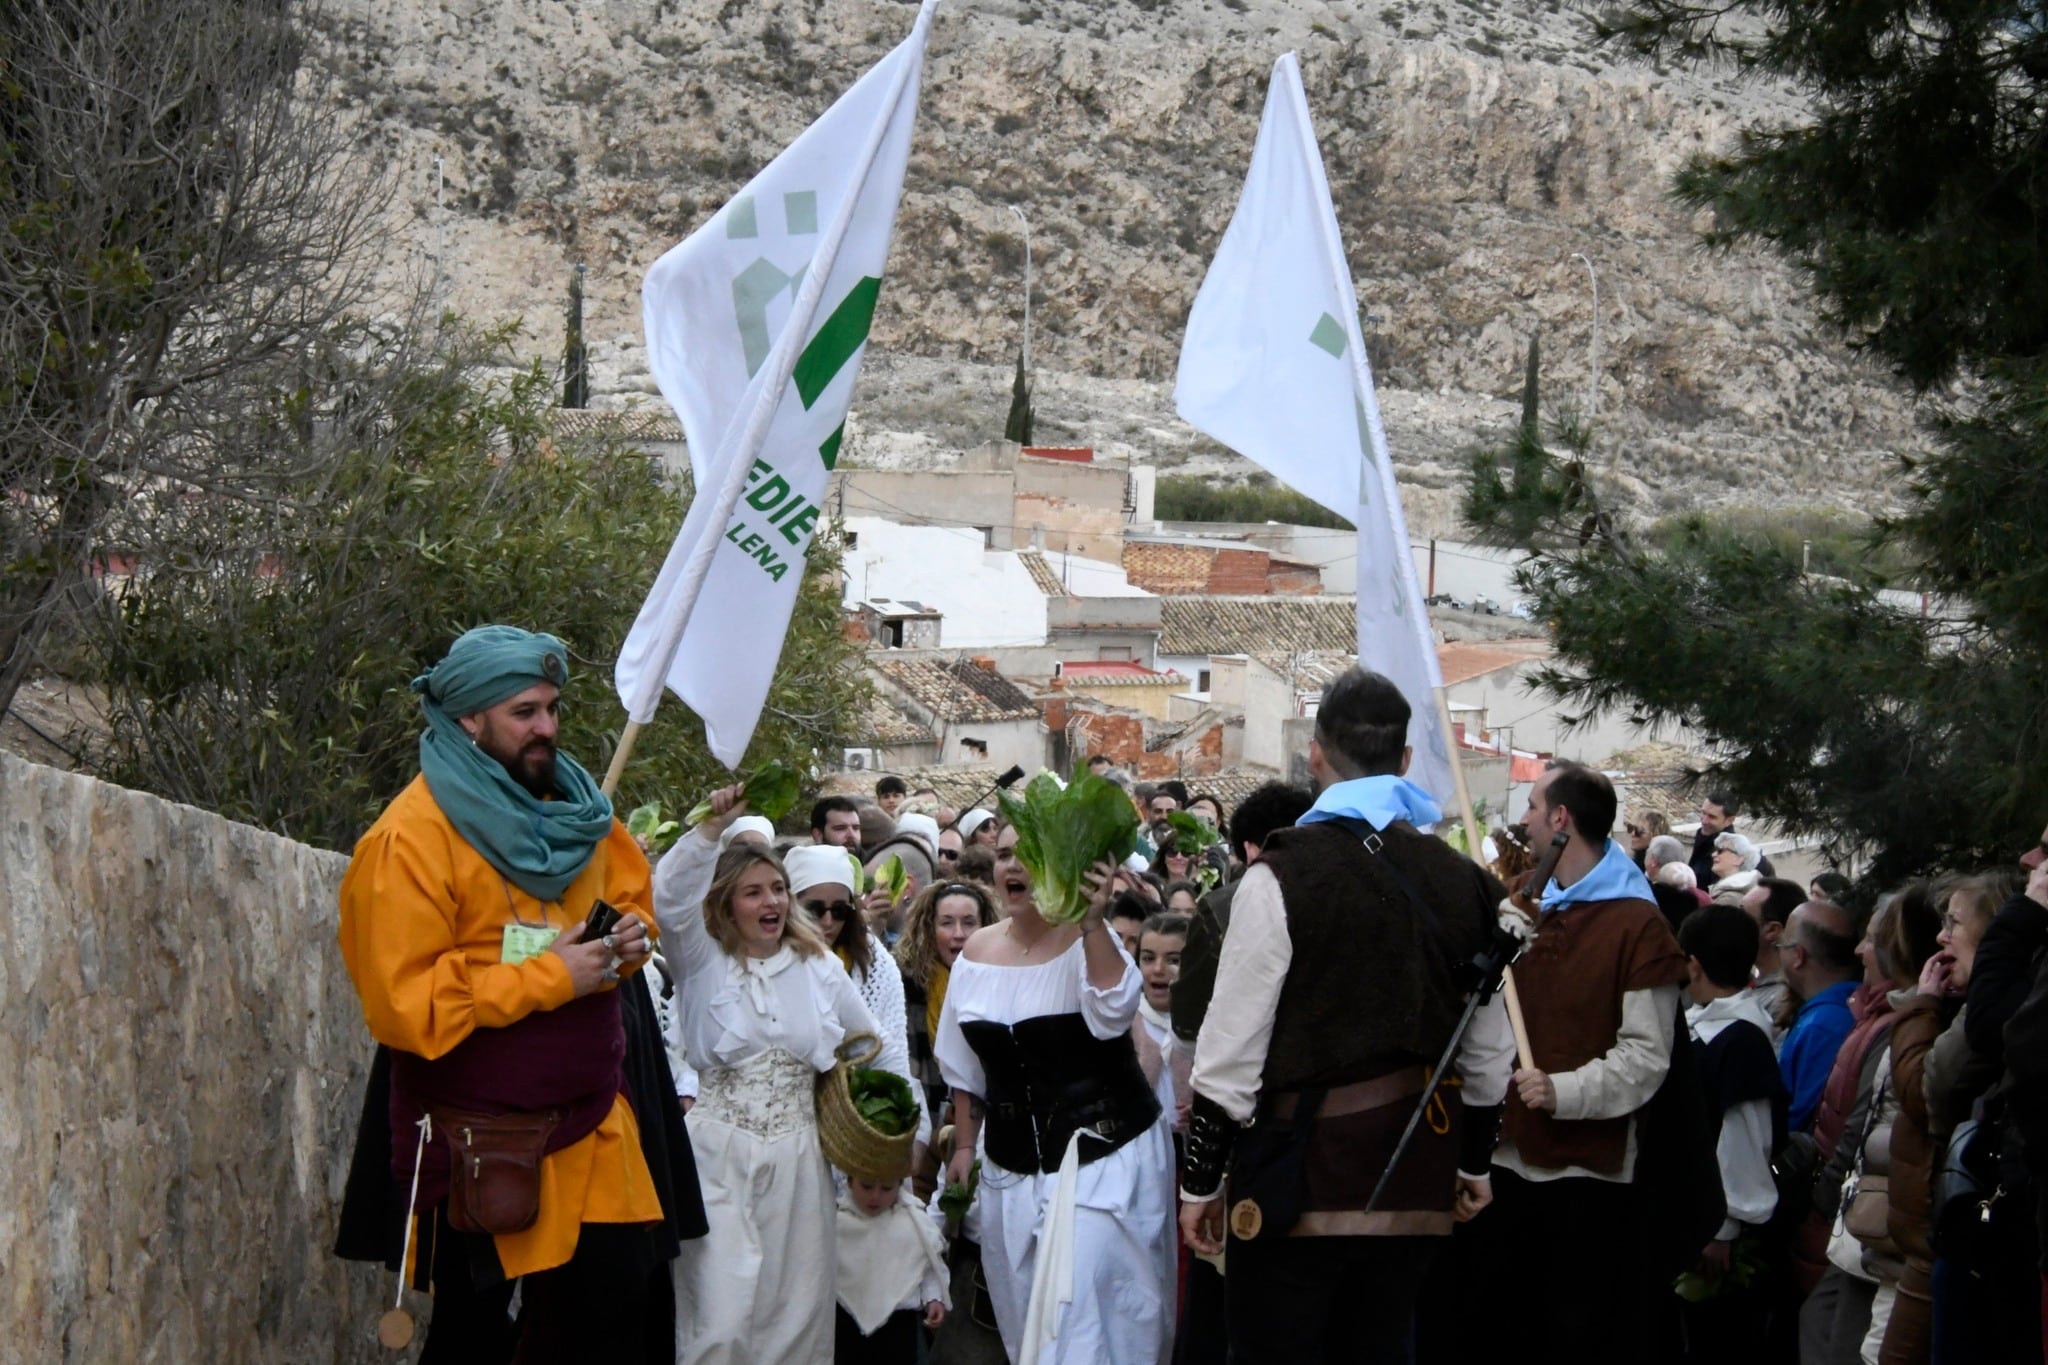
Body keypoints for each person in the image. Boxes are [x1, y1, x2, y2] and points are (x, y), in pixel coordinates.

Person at [333, 626, 696, 1358]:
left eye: (553, 708)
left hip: (597, 1127)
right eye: (525, 712)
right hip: (484, 1144)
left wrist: (626, 943)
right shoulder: (408, 840)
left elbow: (634, 905)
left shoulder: (583, 815)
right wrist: (552, 975)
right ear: (470, 719)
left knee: (615, 1321)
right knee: (478, 1340)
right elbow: (407, 1004)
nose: (548, 729)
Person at [1181, 668, 1514, 1365]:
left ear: (1315, 754)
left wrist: (1201, 1184)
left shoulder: (1278, 876)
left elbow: (1229, 1054)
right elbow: (1486, 1054)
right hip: (1414, 1184)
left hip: (1291, 1187)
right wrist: (1476, 1162)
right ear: (1405, 761)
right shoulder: (1468, 885)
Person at [654, 788, 892, 1365]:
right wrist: (710, 830)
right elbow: (669, 900)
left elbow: (868, 1050)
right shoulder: (700, 959)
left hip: (799, 1159)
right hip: (716, 1157)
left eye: (779, 889)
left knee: (793, 1318)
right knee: (719, 1317)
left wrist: (874, 1138)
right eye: (754, 891)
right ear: (727, 903)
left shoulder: (817, 968)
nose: (772, 902)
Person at [1463, 761, 1688, 1365]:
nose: (1526, 819)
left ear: (1561, 819)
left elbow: (1646, 1057)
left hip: (1587, 1179)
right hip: (1506, 1164)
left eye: (1534, 806)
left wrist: (1564, 1092)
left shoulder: (1638, 925)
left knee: (1574, 1337)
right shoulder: (1528, 907)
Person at [935, 821, 1175, 1365]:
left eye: (1029, 856)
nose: (1012, 867)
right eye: (1002, 856)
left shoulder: (1089, 939)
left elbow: (1114, 1012)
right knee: (1029, 1334)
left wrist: (1092, 924)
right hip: (1009, 1171)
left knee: (1087, 1331)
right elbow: (966, 1070)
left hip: (1102, 1162)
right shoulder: (975, 952)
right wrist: (967, 1148)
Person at [1676, 904, 1787, 1359]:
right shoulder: (1709, 1023)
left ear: (1694, 964)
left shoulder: (1741, 1038)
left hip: (1723, 1229)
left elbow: (1742, 1137)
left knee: (1722, 1341)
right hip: (1696, 1213)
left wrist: (1723, 1226)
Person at [788, 845, 929, 1154]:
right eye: (815, 909)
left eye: (839, 910)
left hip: (857, 1122)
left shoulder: (875, 960)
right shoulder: (770, 960)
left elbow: (884, 1046)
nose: (827, 921)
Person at [1878, 882, 1964, 1365]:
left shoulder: (1942, 1014)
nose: (1942, 940)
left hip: (1930, 1236)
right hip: (1906, 1236)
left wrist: (1921, 1007)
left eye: (1956, 925)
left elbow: (1921, 1093)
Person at [896, 880, 1001, 1135]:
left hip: (986, 1128)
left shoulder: (1002, 984)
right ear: (929, 929)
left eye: (969, 922)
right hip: (923, 1123)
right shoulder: (908, 987)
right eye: (946, 923)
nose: (958, 933)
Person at [834, 1173, 948, 1365]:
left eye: (886, 1189)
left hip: (899, 1325)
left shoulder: (913, 1222)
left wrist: (933, 1298)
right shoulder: (836, 1223)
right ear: (851, 1181)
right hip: (846, 1323)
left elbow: (926, 1262)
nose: (875, 1196)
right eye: (867, 1186)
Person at [1779, 899, 1864, 1134]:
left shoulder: (1824, 1026)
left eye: (1781, 945)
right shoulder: (1836, 1011)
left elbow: (1800, 1121)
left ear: (1799, 956)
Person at [1133, 912, 1192, 1133]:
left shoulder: (1207, 1025)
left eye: (1174, 960)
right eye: (1148, 958)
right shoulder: (1123, 1021)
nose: (1158, 969)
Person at [1743, 876, 1809, 1037]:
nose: (1732, 924)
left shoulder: (1785, 999)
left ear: (1772, 930)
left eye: (1742, 917)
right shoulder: (1752, 980)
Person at [1691, 793, 1778, 885]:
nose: (1704, 821)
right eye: (1703, 813)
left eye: (1712, 817)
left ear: (1729, 820)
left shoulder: (1731, 851)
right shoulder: (1705, 836)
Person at [1710, 831, 1766, 900]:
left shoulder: (1729, 898)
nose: (1713, 854)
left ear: (1738, 860)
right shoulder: (1729, 890)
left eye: (1720, 851)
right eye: (1715, 850)